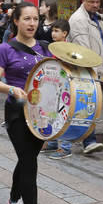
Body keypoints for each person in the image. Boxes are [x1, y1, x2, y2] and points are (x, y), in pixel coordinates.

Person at [0, 2, 50, 204]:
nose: (32, 23)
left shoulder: (45, 48)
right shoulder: (5, 48)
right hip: (16, 112)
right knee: (28, 161)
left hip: (40, 114)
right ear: (16, 21)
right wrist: (11, 89)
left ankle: (14, 200)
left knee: (28, 158)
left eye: (35, 19)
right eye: (27, 19)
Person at [68, 0, 103, 154]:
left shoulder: (93, 16)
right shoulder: (78, 19)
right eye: (91, 2)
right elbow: (85, 51)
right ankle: (88, 140)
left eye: (97, 2)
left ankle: (79, 139)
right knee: (87, 103)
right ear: (83, 0)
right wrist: (98, 72)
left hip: (92, 68)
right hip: (85, 69)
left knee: (84, 104)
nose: (95, 5)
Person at [41, 19, 74, 160]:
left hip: (64, 88)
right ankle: (53, 142)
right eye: (52, 30)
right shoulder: (53, 47)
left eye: (56, 31)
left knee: (63, 116)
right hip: (52, 87)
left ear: (65, 33)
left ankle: (65, 147)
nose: (53, 33)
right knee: (51, 114)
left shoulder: (68, 49)